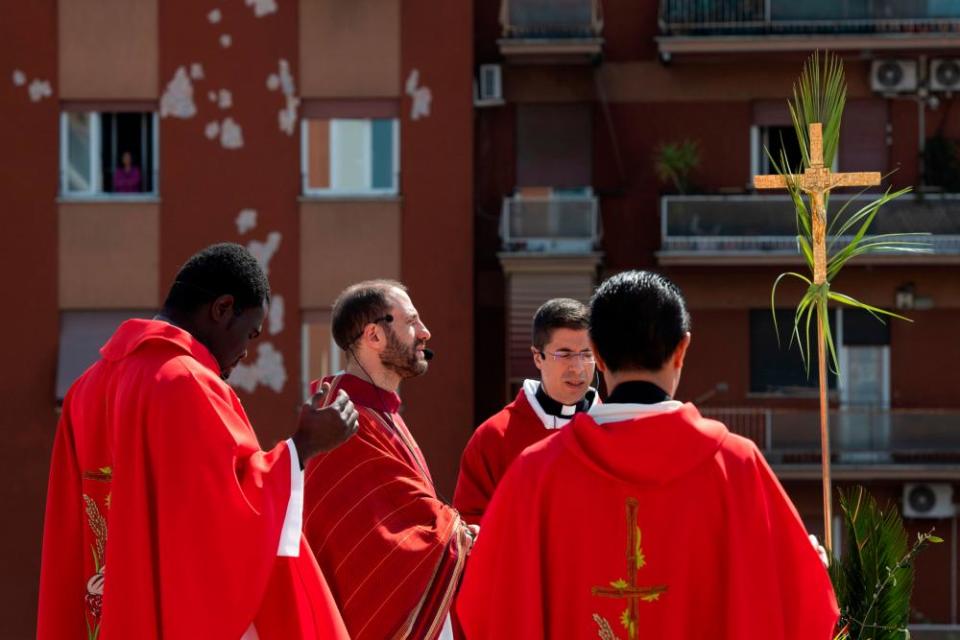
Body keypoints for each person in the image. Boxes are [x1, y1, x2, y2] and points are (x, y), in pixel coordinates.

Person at [456, 270, 839, 639]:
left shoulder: (535, 473)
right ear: (682, 349)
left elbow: (485, 609)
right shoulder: (736, 466)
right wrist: (802, 570)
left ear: (599, 356)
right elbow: (807, 611)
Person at [38, 243, 359, 639]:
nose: (244, 352)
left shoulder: (84, 390)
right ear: (222, 309)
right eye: (250, 333)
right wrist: (303, 446)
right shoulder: (189, 383)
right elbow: (231, 514)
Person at [303, 280, 475, 640]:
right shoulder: (342, 420)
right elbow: (376, 543)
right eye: (411, 322)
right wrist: (458, 536)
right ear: (374, 336)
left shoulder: (378, 411)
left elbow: (405, 512)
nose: (425, 333)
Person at [453, 298, 598, 525]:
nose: (578, 368)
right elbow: (471, 528)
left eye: (587, 354)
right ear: (537, 357)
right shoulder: (494, 438)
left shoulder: (614, 429)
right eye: (565, 354)